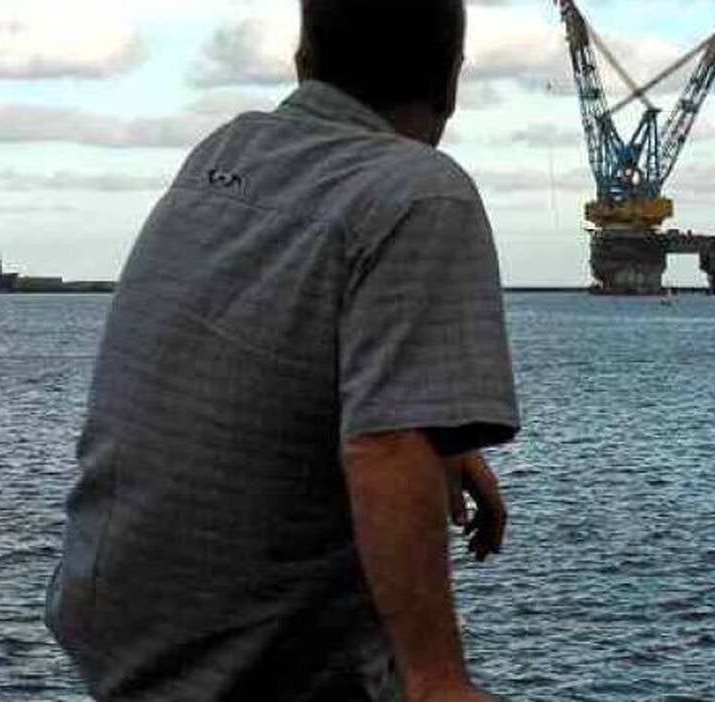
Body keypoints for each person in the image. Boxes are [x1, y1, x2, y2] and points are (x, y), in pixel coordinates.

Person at [45, 0, 520, 699]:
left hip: (116, 641)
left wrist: (437, 435)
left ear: (302, 62)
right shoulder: (420, 192)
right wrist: (438, 681)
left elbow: (242, 351)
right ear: (451, 79)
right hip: (245, 675)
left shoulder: (224, 152)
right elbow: (385, 448)